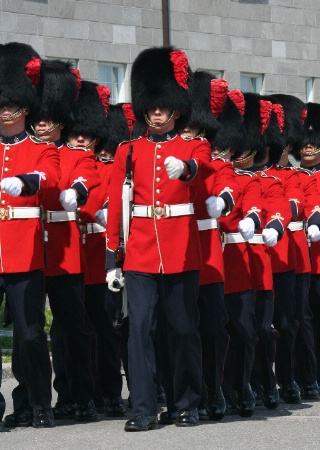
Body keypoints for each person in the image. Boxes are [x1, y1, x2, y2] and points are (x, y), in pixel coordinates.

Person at [106, 46, 212, 431]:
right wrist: (111, 257)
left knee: (183, 330)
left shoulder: (193, 147)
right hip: (139, 253)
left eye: (163, 106)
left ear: (176, 108)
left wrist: (184, 168)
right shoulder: (128, 151)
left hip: (180, 250)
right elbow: (117, 206)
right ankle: (144, 408)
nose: (156, 112)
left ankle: (186, 402)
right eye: (151, 106)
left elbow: (202, 169)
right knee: (139, 331)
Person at [29, 64, 101, 422]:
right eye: (37, 118)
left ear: (61, 120)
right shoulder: (23, 153)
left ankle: (79, 394)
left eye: (48, 118)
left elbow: (88, 181)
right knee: (30, 330)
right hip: (27, 248)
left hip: (65, 251)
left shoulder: (78, 155)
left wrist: (77, 192)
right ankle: (29, 398)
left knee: (71, 328)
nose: (41, 124)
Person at [0, 42, 61, 428]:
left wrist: (26, 181)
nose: (5, 108)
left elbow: (50, 178)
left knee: (30, 334)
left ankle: (39, 402)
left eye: (11, 102)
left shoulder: (42, 150)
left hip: (23, 253)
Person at [297, 102, 320, 394]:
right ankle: (309, 373)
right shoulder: (293, 176)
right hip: (302, 259)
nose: (309, 146)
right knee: (305, 321)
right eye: (304, 141)